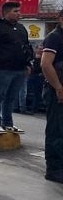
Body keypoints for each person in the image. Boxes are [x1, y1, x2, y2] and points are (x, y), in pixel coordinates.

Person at [0, 1, 33, 134]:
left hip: (20, 69)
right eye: (16, 11)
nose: (19, 14)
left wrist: (28, 64)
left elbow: (26, 47)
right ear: (7, 13)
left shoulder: (21, 28)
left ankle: (8, 124)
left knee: (11, 98)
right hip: (3, 69)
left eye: (19, 11)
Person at [40, 9, 63, 184]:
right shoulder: (55, 37)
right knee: (56, 129)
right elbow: (46, 64)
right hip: (57, 89)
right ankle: (54, 169)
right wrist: (58, 87)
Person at [25, 45, 44, 115]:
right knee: (27, 91)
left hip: (39, 76)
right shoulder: (32, 56)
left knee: (37, 93)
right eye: (39, 49)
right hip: (30, 75)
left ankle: (34, 109)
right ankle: (25, 107)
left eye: (42, 49)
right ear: (36, 49)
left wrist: (42, 73)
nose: (40, 50)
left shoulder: (43, 57)